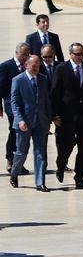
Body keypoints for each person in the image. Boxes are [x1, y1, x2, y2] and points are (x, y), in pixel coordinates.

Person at [51, 42, 83, 189]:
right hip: (67, 115)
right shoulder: (61, 68)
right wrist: (55, 114)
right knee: (66, 146)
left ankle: (80, 177)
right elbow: (55, 93)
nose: (80, 57)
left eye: (81, 54)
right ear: (70, 54)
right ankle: (61, 165)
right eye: (77, 54)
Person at [8, 56, 52, 191]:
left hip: (40, 122)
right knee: (21, 152)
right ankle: (14, 173)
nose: (36, 68)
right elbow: (14, 103)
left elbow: (46, 101)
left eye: (38, 66)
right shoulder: (18, 80)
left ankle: (40, 182)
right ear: (26, 65)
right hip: (24, 122)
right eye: (34, 66)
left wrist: (48, 119)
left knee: (40, 153)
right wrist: (20, 119)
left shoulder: (43, 79)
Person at [1, 43, 31, 174]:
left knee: (23, 135)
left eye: (27, 54)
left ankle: (19, 162)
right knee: (14, 131)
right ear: (17, 52)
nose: (25, 57)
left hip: (27, 105)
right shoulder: (6, 66)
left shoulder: (29, 66)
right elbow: (1, 88)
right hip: (11, 105)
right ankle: (10, 160)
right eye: (23, 54)